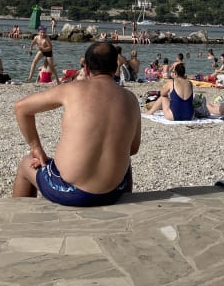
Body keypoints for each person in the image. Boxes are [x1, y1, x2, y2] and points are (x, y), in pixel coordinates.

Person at [12, 41, 141, 206]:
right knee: (125, 163)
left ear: (86, 68)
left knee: (26, 163)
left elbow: (21, 108)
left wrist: (36, 148)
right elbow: (133, 149)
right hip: (114, 191)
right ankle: (125, 208)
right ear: (116, 66)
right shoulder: (130, 98)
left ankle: (18, 223)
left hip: (71, 191)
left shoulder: (72, 89)